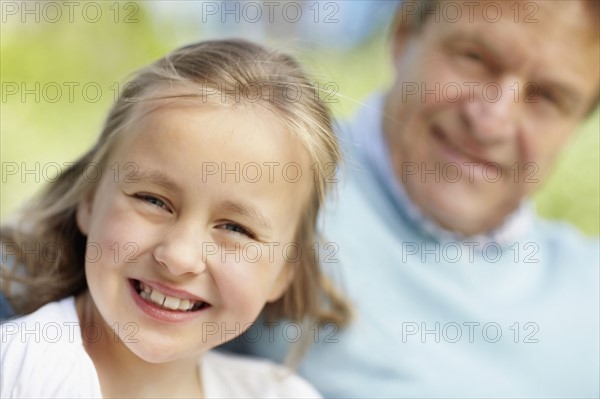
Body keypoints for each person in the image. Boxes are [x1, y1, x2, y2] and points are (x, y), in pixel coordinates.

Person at [228, 1, 600, 397]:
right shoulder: (260, 177)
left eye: (547, 97)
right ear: (403, 35)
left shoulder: (587, 295)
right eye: (474, 58)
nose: (491, 121)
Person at [0, 39, 350, 398]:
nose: (179, 257)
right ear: (89, 200)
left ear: (286, 270)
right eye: (153, 200)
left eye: (235, 228)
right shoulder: (18, 372)